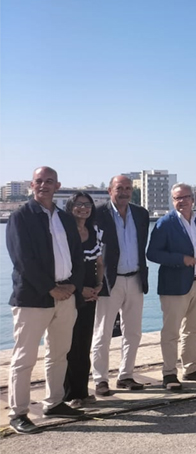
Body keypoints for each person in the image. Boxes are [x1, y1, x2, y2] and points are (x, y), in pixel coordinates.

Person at [6, 167, 86, 433]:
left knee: (59, 353)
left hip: (66, 296)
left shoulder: (64, 218)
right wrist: (50, 288)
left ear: (57, 185)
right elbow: (23, 260)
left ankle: (54, 402)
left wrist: (74, 284)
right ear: (32, 185)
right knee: (24, 357)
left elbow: (77, 255)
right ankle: (18, 412)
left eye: (49, 181)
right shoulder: (21, 217)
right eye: (39, 181)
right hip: (32, 298)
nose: (44, 185)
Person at [147, 183, 196, 390]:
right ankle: (169, 373)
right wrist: (181, 259)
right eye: (178, 198)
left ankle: (191, 369)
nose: (182, 201)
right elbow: (152, 253)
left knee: (193, 330)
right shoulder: (165, 223)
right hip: (174, 286)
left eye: (186, 197)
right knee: (171, 332)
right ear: (173, 200)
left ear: (193, 199)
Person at [91, 175, 149, 395]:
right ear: (109, 190)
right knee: (102, 333)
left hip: (135, 279)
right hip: (108, 281)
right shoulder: (98, 214)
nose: (124, 192)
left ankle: (126, 376)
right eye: (119, 188)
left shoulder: (141, 214)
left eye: (128, 188)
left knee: (133, 332)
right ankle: (100, 380)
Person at [63, 193, 103, 409]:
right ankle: (69, 394)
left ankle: (82, 390)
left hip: (91, 293)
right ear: (70, 207)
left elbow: (99, 261)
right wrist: (81, 289)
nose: (83, 208)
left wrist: (98, 285)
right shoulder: (65, 232)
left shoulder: (94, 231)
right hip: (71, 291)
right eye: (78, 205)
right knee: (69, 344)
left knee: (84, 342)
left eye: (87, 204)